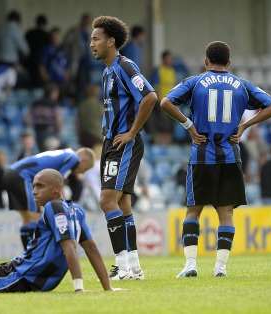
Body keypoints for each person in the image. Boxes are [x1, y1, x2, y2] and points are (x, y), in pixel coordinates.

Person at [160, 41, 271, 278]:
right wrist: (245, 125)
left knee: (193, 211)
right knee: (226, 213)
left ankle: (191, 265)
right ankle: (220, 268)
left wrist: (189, 125)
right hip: (229, 156)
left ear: (206, 61)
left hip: (202, 155)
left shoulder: (196, 82)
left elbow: (165, 102)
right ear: (229, 62)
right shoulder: (241, 85)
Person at [90, 16, 157, 280]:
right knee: (123, 203)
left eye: (96, 39)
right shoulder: (107, 71)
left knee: (107, 200)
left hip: (123, 141)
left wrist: (131, 132)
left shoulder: (125, 66)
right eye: (91, 39)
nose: (91, 43)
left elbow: (150, 96)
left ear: (111, 41)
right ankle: (134, 266)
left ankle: (122, 266)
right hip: (111, 141)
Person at [2, 148, 95, 249]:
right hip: (22, 176)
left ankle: (28, 254)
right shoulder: (73, 158)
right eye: (84, 169)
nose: (81, 173)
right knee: (35, 216)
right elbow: (59, 181)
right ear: (84, 161)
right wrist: (63, 206)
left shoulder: (65, 152)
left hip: (9, 172)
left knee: (27, 218)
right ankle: (35, 254)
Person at [27, 83, 62, 151]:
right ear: (52, 93)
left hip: (37, 133)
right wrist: (58, 132)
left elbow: (27, 119)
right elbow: (58, 121)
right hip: (50, 133)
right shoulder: (53, 104)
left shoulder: (35, 103)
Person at [25, 14, 50, 86]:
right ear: (45, 24)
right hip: (41, 61)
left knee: (31, 81)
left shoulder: (29, 33)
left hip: (30, 60)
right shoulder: (46, 35)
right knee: (40, 82)